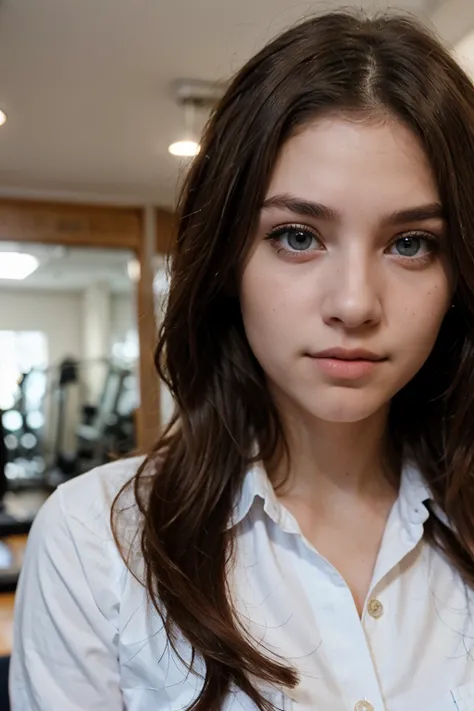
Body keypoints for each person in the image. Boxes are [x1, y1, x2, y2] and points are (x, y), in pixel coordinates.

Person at [9, 9, 474, 711]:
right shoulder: (96, 543)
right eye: (297, 235)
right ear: (228, 259)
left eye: (410, 243)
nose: (354, 303)